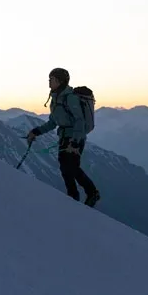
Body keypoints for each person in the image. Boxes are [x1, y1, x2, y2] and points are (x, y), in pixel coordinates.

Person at [26, 68, 101, 207]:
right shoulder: (55, 98)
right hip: (65, 137)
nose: (49, 82)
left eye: (52, 79)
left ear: (60, 81)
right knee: (65, 167)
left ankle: (90, 193)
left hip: (74, 137)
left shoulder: (70, 98)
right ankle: (73, 197)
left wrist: (75, 141)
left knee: (71, 167)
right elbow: (53, 122)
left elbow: (79, 120)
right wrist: (35, 131)